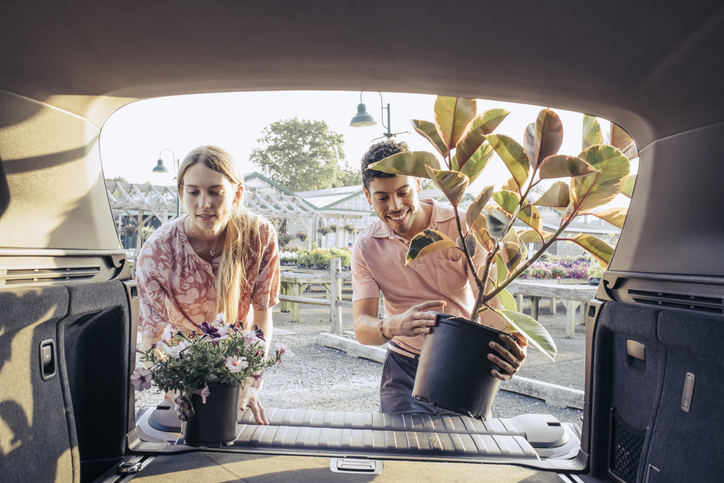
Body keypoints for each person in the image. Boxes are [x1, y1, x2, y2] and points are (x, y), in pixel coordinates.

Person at [352, 141, 527, 415]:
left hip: (461, 362)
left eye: (403, 192)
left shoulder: (464, 226)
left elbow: (490, 306)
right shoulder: (367, 245)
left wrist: (511, 345)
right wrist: (393, 325)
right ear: (367, 195)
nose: (395, 206)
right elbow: (362, 327)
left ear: (419, 185)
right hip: (403, 368)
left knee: (463, 452)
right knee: (401, 452)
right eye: (382, 198)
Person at [136, 145, 280, 425]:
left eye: (215, 192)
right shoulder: (158, 250)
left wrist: (249, 381)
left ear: (237, 193)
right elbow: (151, 340)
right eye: (194, 192)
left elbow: (262, 318)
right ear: (181, 192)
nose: (204, 203)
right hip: (181, 362)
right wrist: (175, 390)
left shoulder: (259, 236)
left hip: (237, 361)